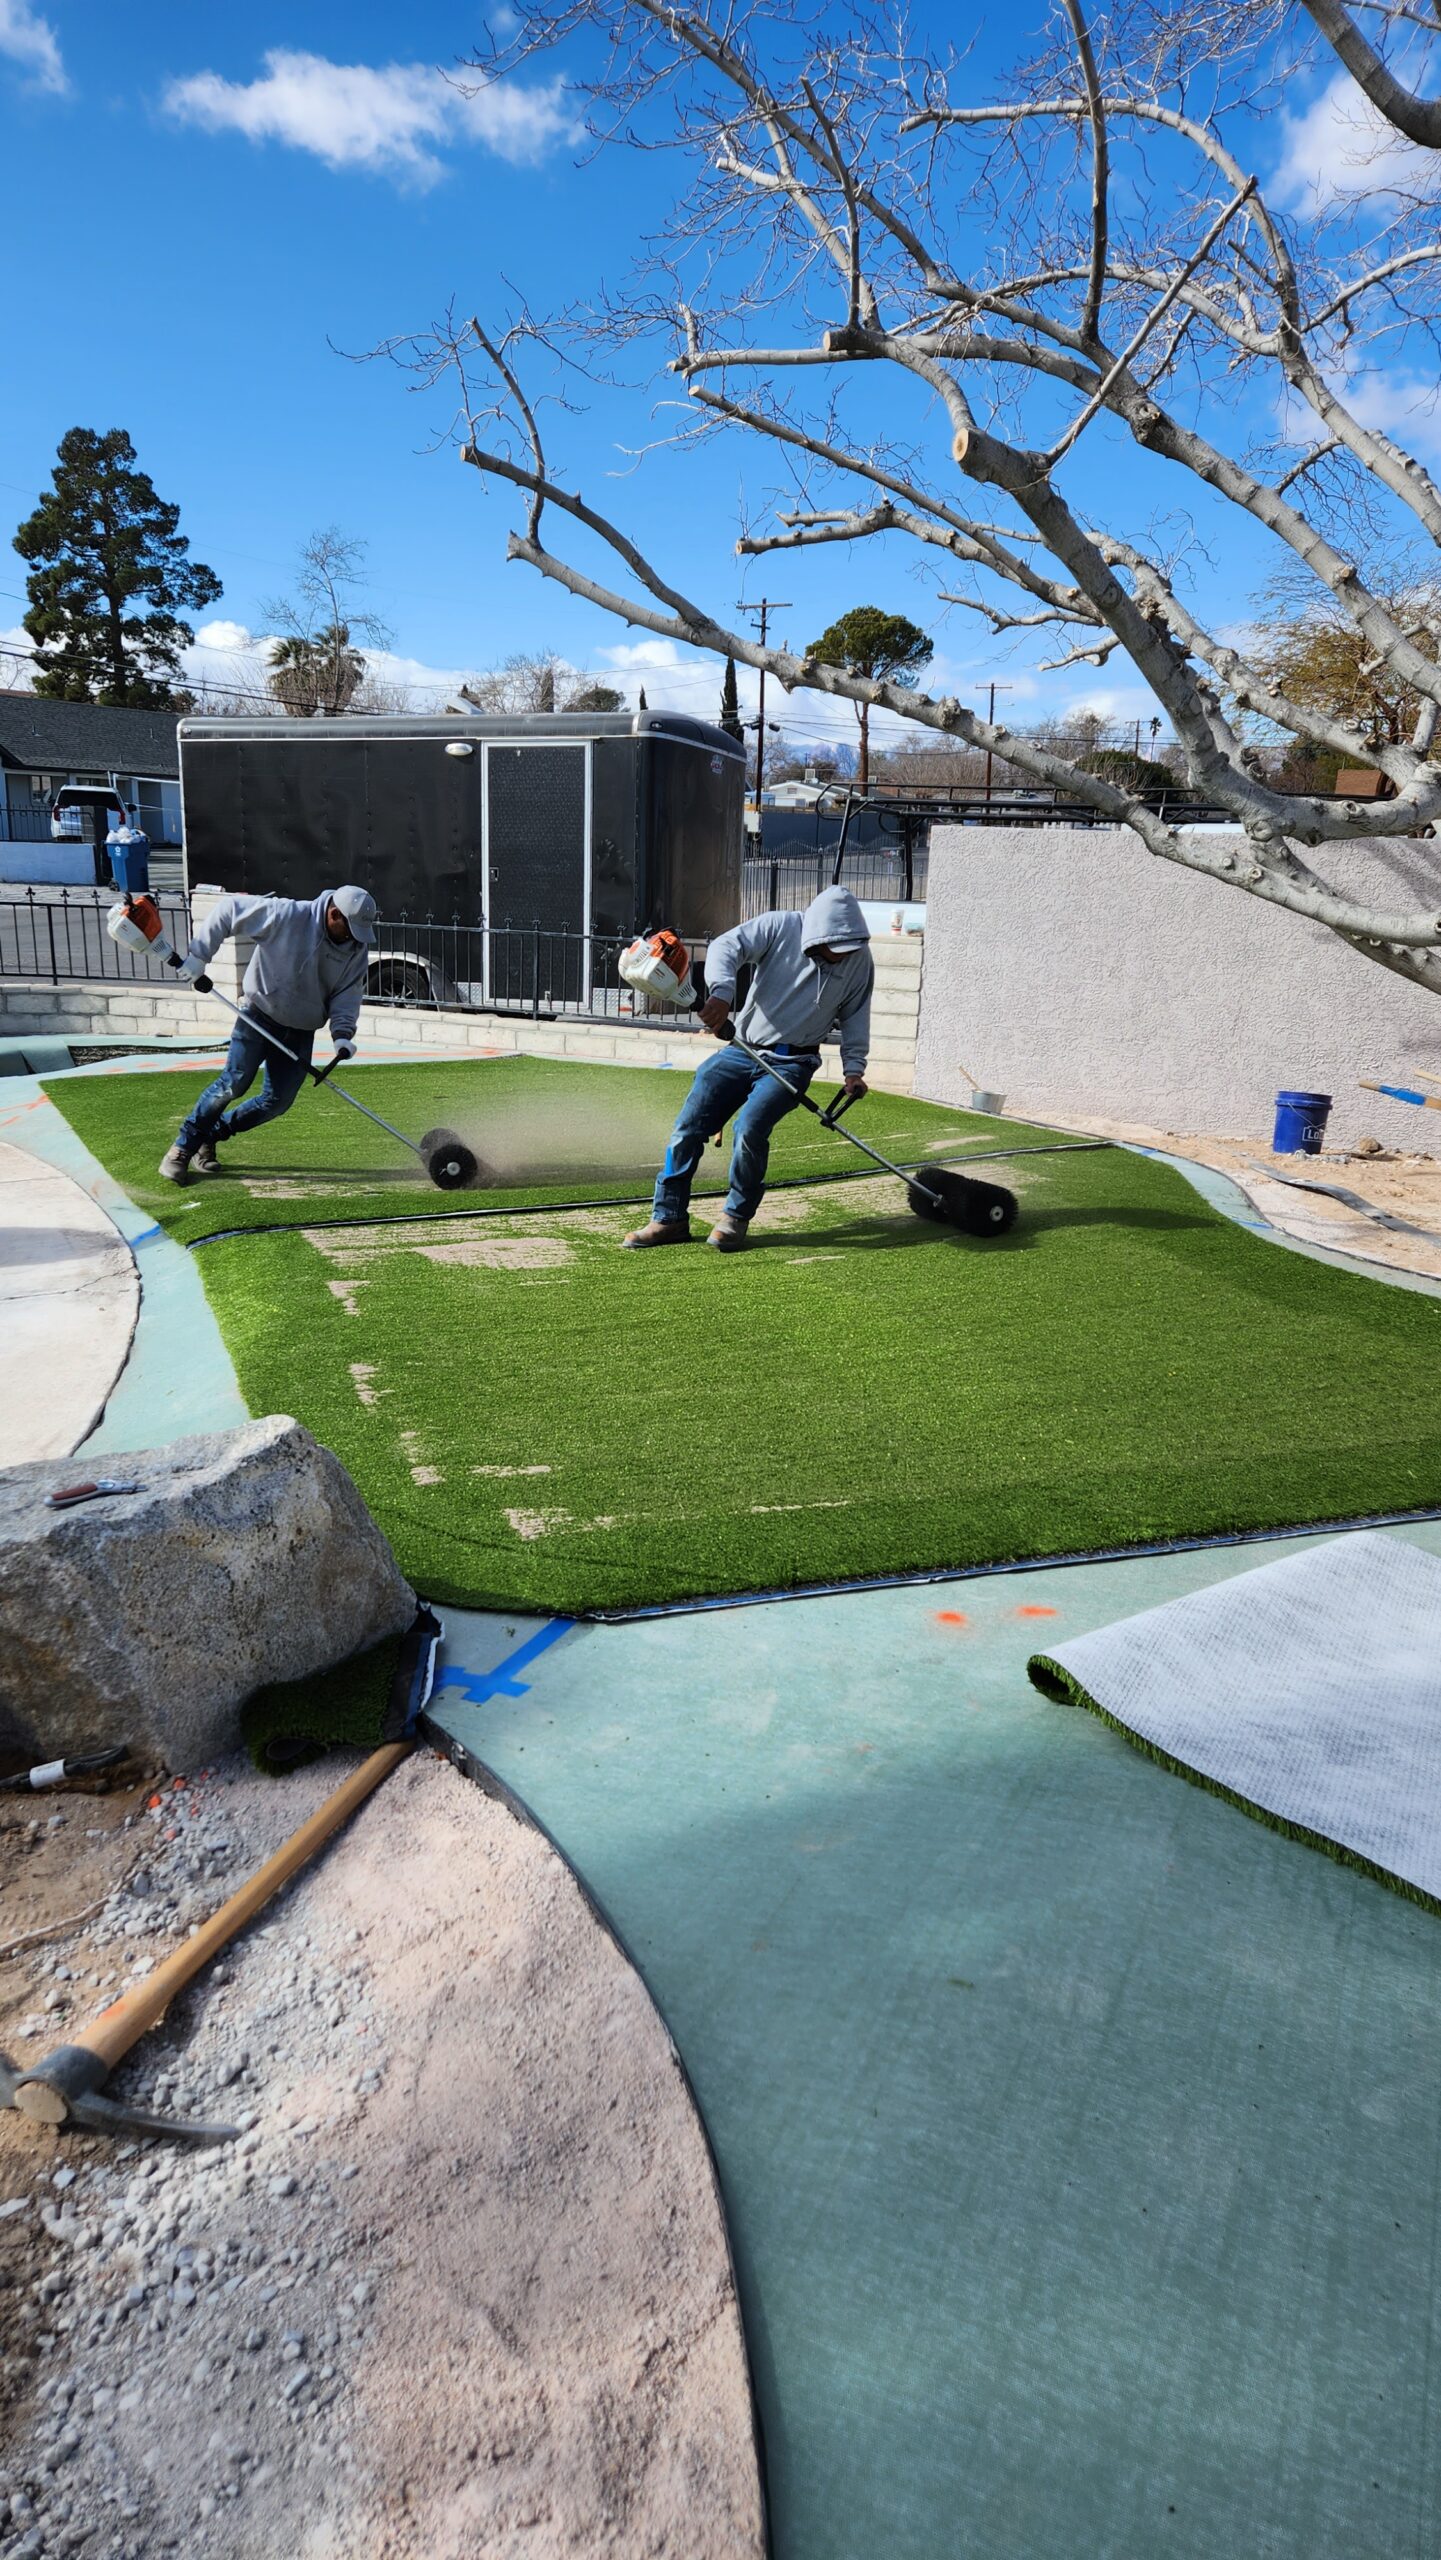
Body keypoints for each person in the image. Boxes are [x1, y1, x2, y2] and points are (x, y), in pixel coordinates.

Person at [624, 884, 873, 1253]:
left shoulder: (858, 959)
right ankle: (669, 1217)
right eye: (833, 947)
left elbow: (856, 1015)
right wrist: (722, 992)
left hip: (795, 1063)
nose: (840, 955)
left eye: (847, 948)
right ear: (818, 932)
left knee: (749, 1128)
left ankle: (735, 1218)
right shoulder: (780, 926)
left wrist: (854, 1069)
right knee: (687, 1128)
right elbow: (726, 945)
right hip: (744, 1050)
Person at [158, 886, 376, 1185]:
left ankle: (213, 1134)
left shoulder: (355, 949)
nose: (353, 937)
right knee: (233, 1083)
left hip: (301, 1029)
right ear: (333, 914)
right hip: (258, 1014)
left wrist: (342, 1033)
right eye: (350, 929)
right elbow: (229, 910)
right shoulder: (287, 915)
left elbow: (347, 994)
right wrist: (199, 955)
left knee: (278, 1101)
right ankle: (182, 1148)